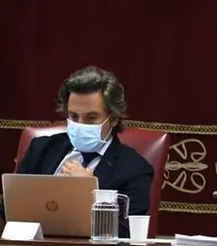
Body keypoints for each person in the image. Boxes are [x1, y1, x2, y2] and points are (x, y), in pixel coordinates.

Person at [17, 66, 154, 237]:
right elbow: (7, 212)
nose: (80, 124)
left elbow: (128, 234)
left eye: (91, 118)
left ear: (113, 119)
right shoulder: (41, 149)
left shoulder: (135, 169)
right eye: (74, 117)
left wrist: (92, 195)